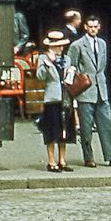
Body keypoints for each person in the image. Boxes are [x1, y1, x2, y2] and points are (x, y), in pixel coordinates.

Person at [70, 15, 111, 167]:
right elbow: (71, 69)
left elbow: (102, 67)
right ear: (85, 27)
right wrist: (73, 93)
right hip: (85, 90)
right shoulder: (77, 45)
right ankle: (88, 157)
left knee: (106, 125)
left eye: (96, 26)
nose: (93, 29)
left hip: (101, 89)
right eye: (90, 26)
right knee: (86, 128)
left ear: (99, 27)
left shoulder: (102, 44)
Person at [35, 31, 75, 172]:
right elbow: (40, 76)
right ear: (51, 47)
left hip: (65, 97)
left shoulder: (67, 59)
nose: (61, 49)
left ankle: (62, 160)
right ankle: (51, 161)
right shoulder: (42, 58)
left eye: (62, 46)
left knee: (64, 130)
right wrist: (48, 63)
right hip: (52, 98)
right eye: (58, 46)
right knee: (52, 130)